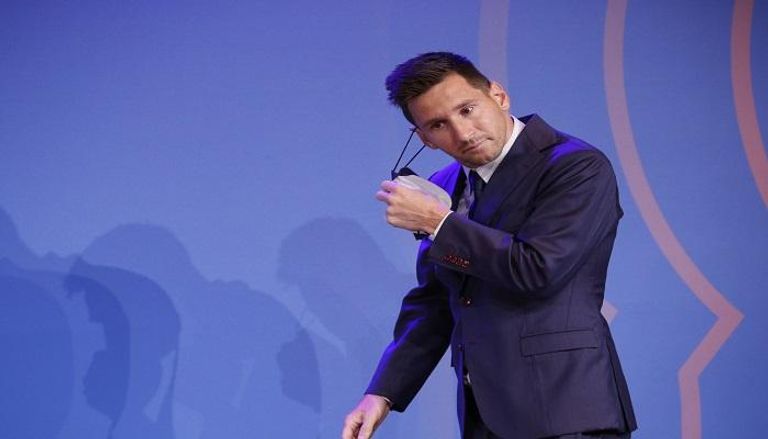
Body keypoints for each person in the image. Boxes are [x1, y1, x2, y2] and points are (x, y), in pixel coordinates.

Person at [342, 52, 637, 439]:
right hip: (484, 413)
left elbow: (537, 269)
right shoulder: (444, 184)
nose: (463, 133)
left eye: (467, 109)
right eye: (438, 125)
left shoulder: (576, 166)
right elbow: (437, 300)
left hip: (567, 411)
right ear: (424, 138)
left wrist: (437, 223)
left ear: (498, 95)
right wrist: (382, 394)